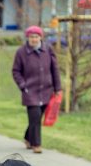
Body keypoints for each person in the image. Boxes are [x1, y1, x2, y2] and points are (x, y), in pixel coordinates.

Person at [12, 26, 61, 154]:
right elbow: (16, 71)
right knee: (35, 117)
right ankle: (36, 144)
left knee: (37, 118)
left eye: (36, 37)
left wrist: (57, 88)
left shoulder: (48, 50)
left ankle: (28, 137)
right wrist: (23, 85)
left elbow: (54, 70)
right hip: (30, 91)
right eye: (31, 37)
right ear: (28, 38)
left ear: (41, 37)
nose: (34, 39)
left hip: (46, 90)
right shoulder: (21, 52)